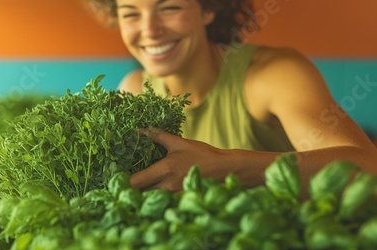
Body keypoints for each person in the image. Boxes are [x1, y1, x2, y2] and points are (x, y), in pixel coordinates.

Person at [87, 0, 377, 194]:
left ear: (207, 9)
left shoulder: (274, 74)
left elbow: (366, 167)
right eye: (130, 13)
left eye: (169, 7)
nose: (149, 30)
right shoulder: (132, 91)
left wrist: (228, 167)